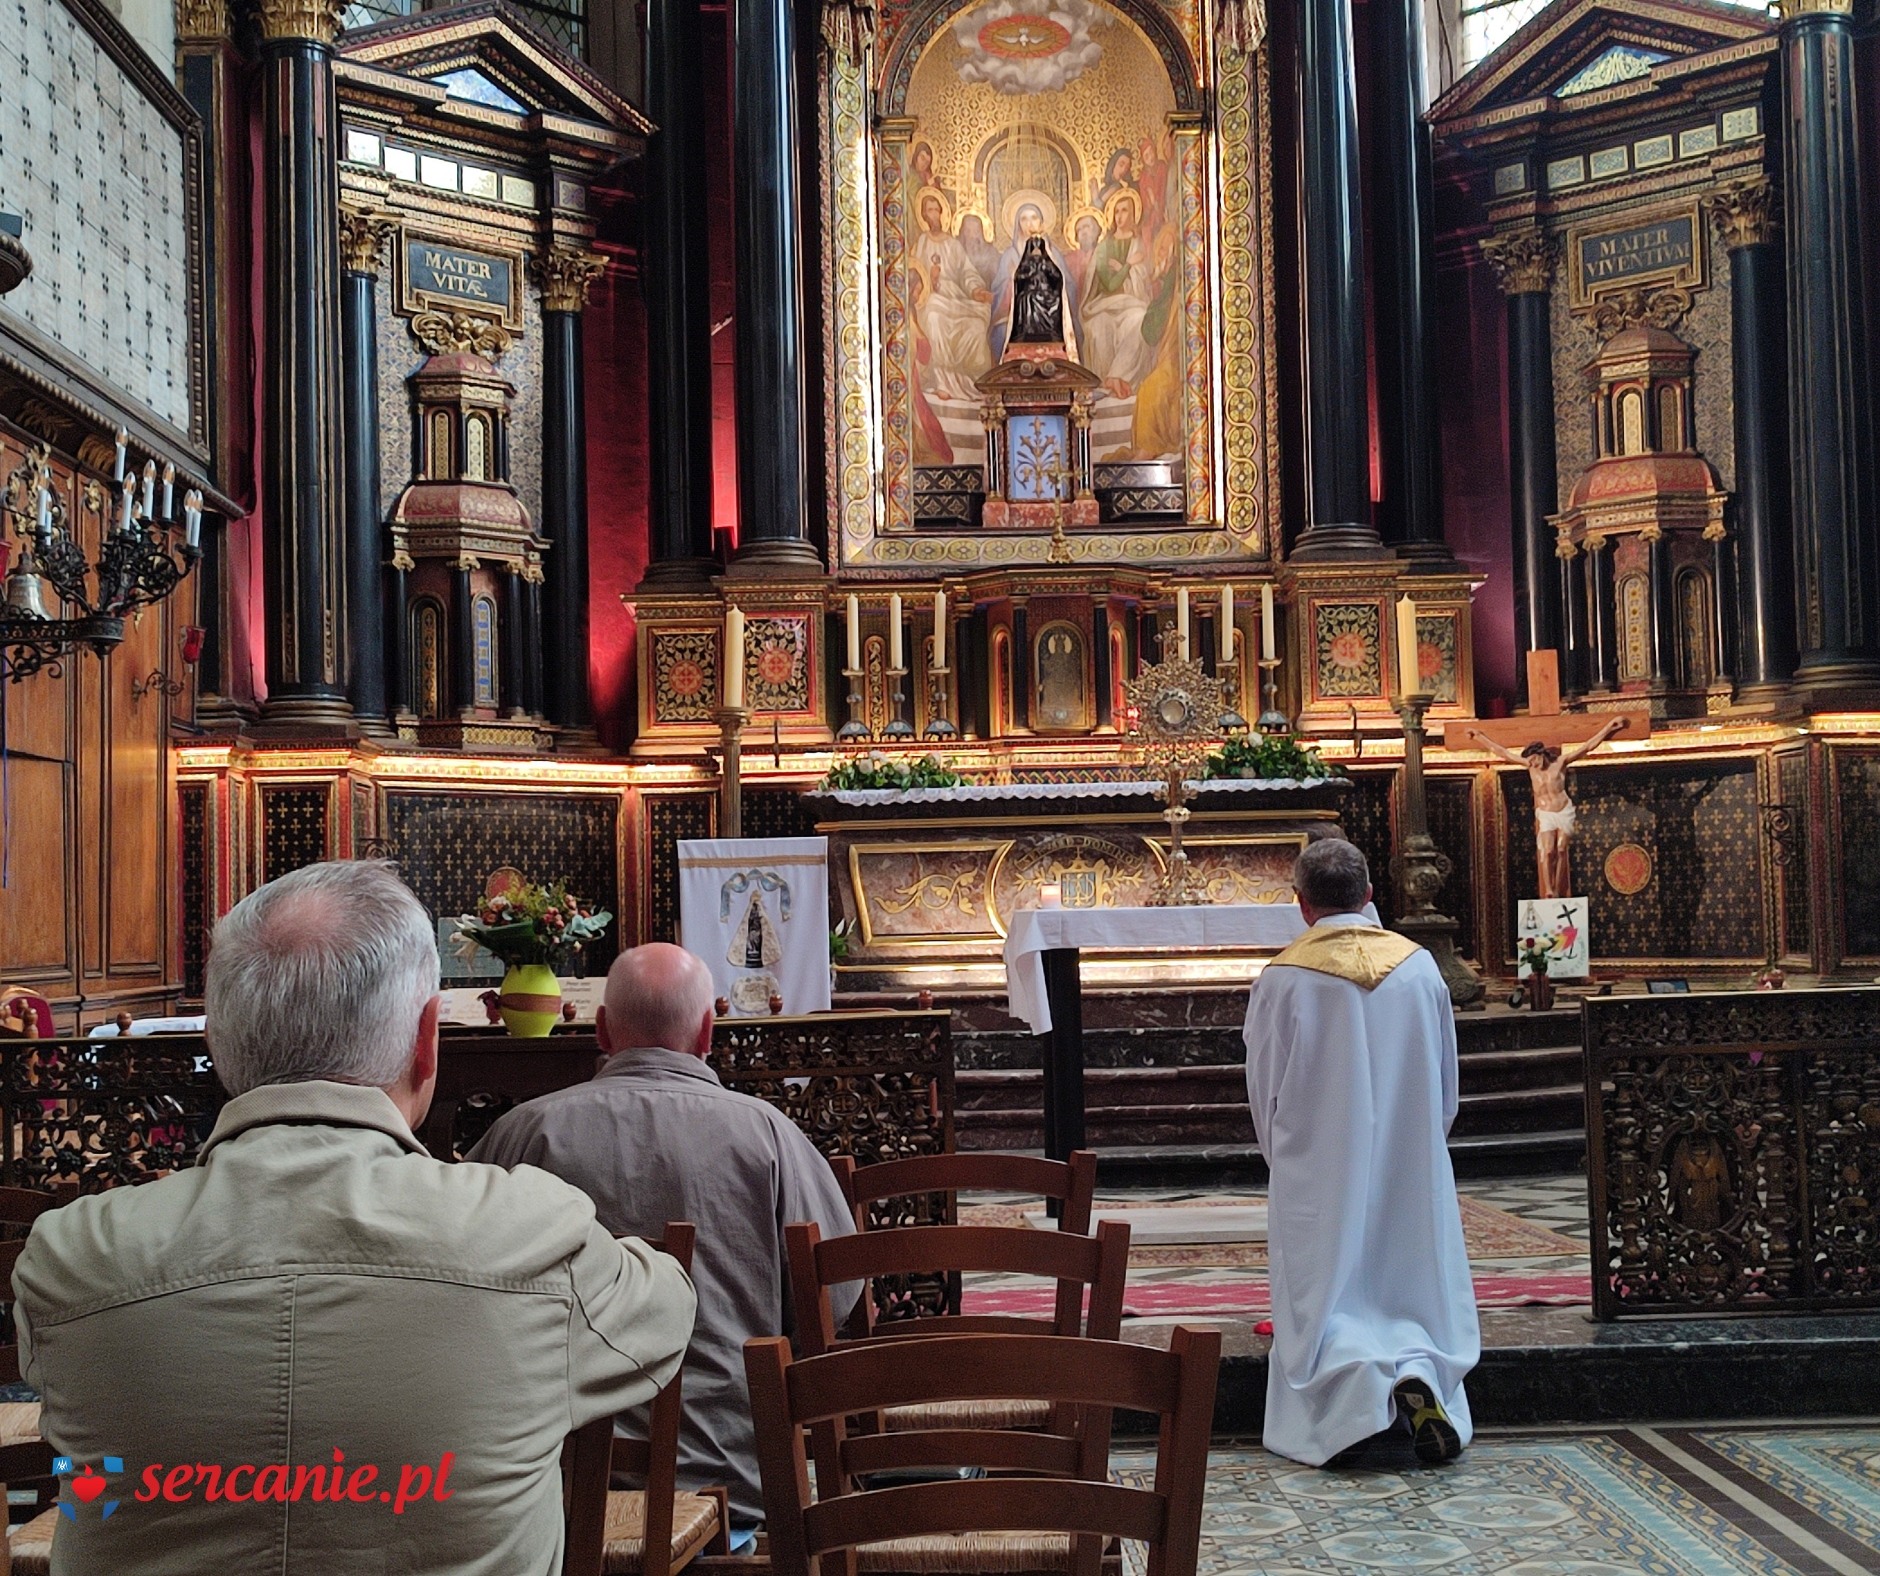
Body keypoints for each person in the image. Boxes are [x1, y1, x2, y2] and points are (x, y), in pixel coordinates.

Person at [14, 861, 697, 1575]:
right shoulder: (534, 1236)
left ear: (217, 1040)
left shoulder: (71, 1258)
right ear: (427, 1039)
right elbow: (668, 1306)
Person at [468, 943, 861, 1541]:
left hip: (555, 1490)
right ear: (707, 1031)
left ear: (602, 1029)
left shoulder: (524, 1132)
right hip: (731, 1485)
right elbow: (830, 1299)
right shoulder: (768, 1135)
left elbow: (465, 1294)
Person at [1242, 838, 1477, 1469]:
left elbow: (1265, 1087)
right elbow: (1447, 1081)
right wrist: (1422, 1146)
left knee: (1329, 1292)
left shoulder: (1284, 977)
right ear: (1371, 894)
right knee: (1408, 1281)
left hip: (1319, 1167)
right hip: (1410, 1159)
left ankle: (1350, 1401)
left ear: (1301, 903)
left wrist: (1286, 1162)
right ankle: (1418, 1369)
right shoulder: (1420, 968)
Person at [1465, 718, 1624, 897]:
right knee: (1548, 851)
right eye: (1530, 761)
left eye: (1534, 759)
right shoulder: (1530, 767)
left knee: (1561, 849)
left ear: (1540, 753)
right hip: (1546, 813)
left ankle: (1557, 888)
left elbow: (1587, 747)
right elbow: (1503, 752)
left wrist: (1609, 727)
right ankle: (1549, 889)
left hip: (1563, 811)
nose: (1533, 763)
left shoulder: (1560, 763)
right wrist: (1479, 737)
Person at [910, 189, 993, 402]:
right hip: (931, 296)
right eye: (929, 210)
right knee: (934, 316)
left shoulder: (953, 244)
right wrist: (929, 278)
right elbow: (913, 272)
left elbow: (967, 272)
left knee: (976, 324)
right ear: (923, 215)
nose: (934, 214)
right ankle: (942, 381)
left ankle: (971, 381)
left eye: (936, 210)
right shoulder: (921, 242)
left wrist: (975, 290)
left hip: (956, 298)